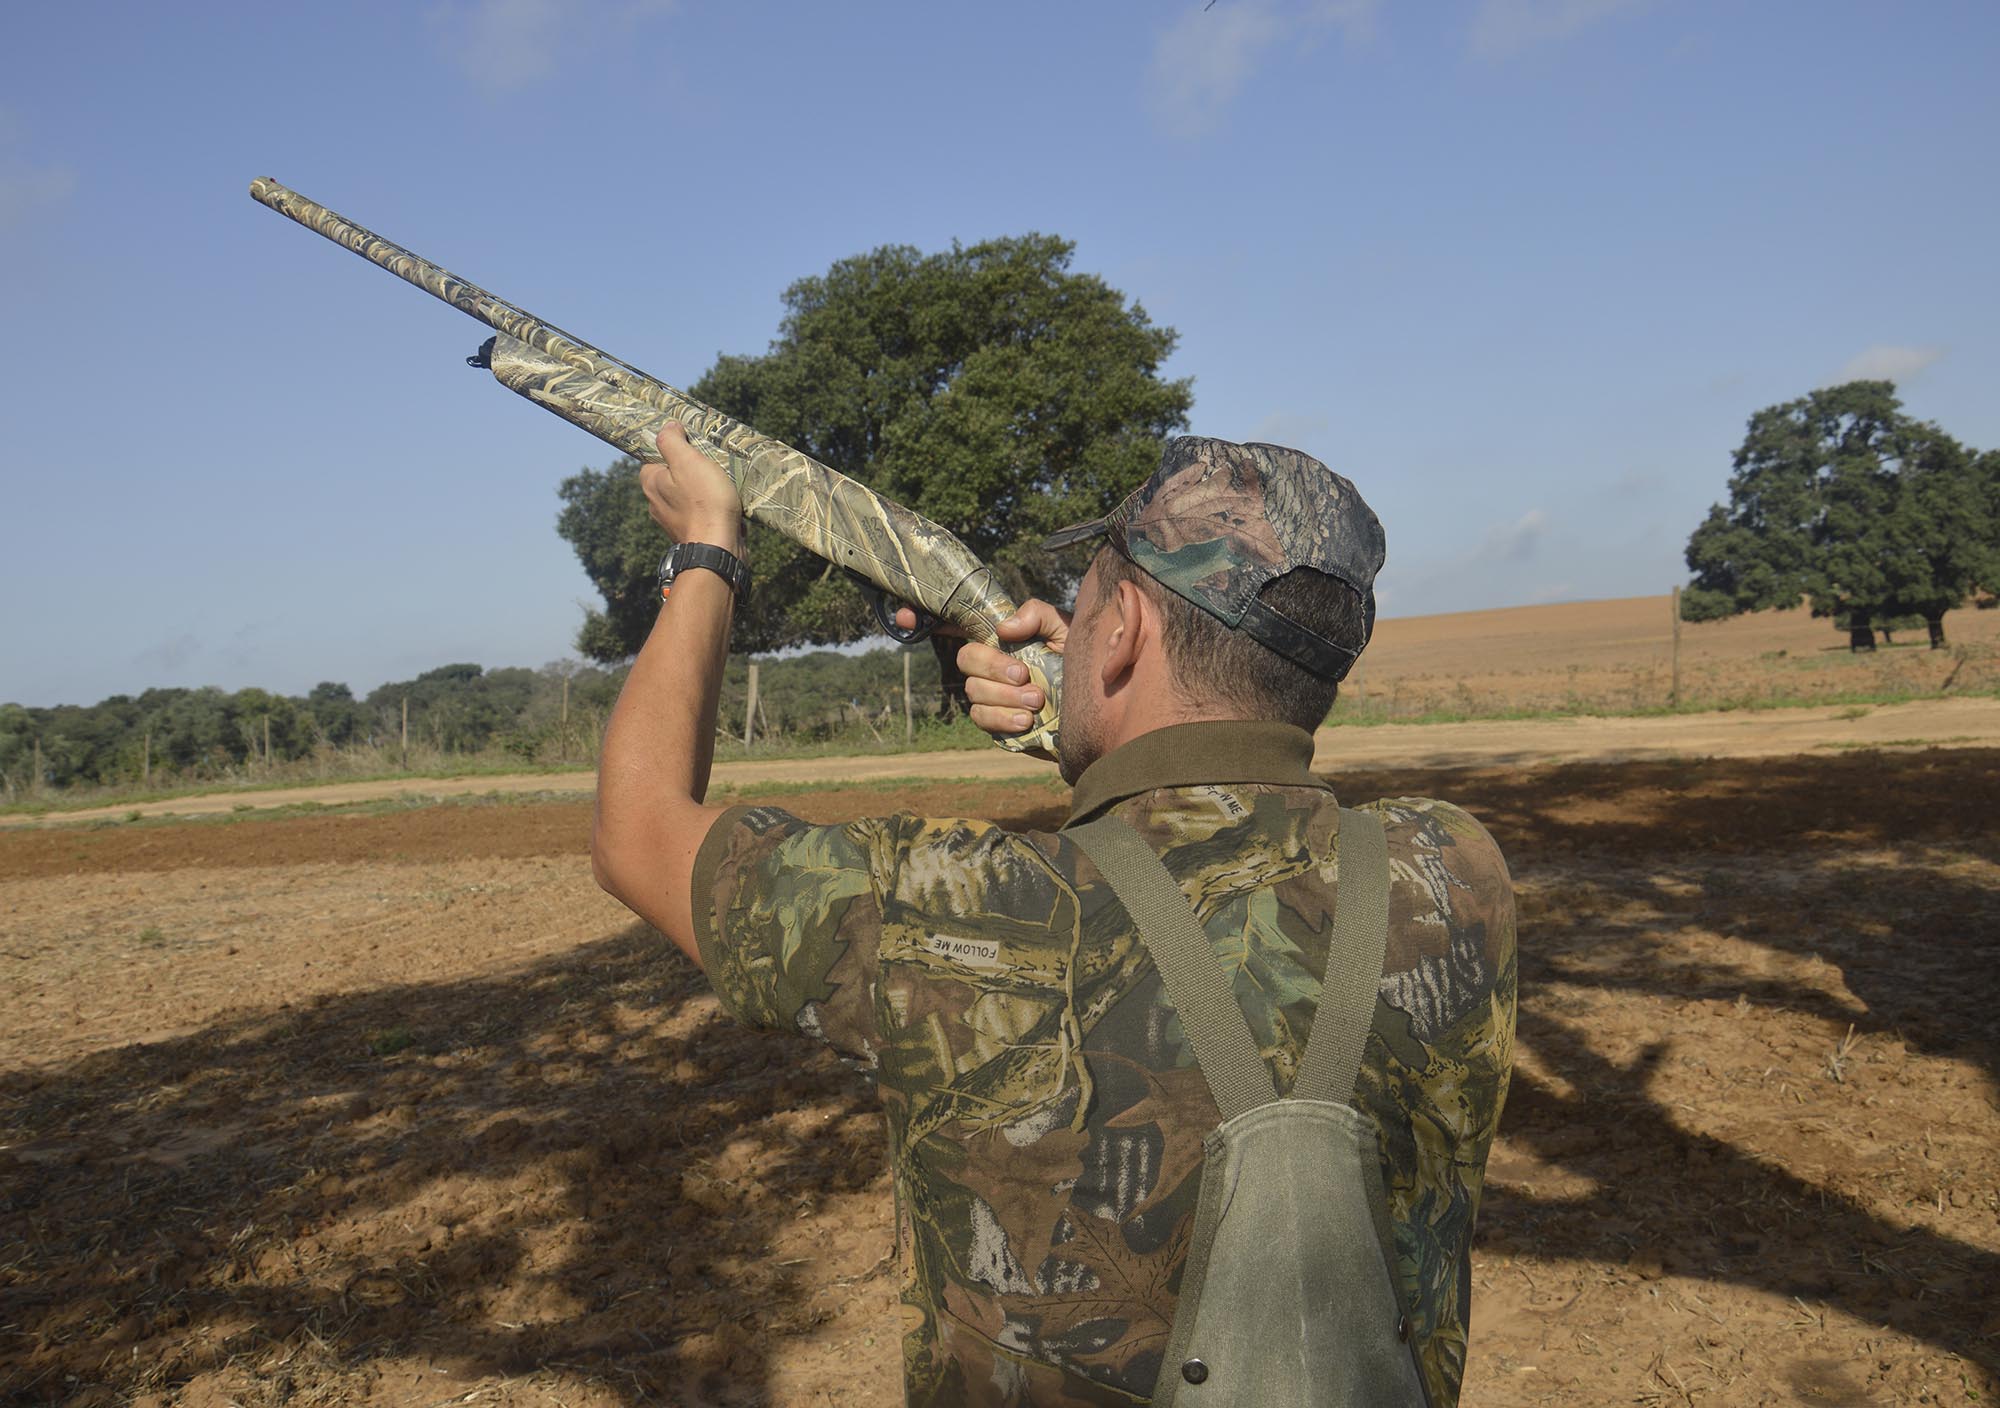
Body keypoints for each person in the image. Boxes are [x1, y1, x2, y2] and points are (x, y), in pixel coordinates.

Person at [592, 426, 1517, 1407]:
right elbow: (1217, 824)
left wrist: (706, 549)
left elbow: (635, 831)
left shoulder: (955, 898)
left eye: (1086, 604)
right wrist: (1085, 716)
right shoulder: (1451, 869)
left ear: (1122, 629)